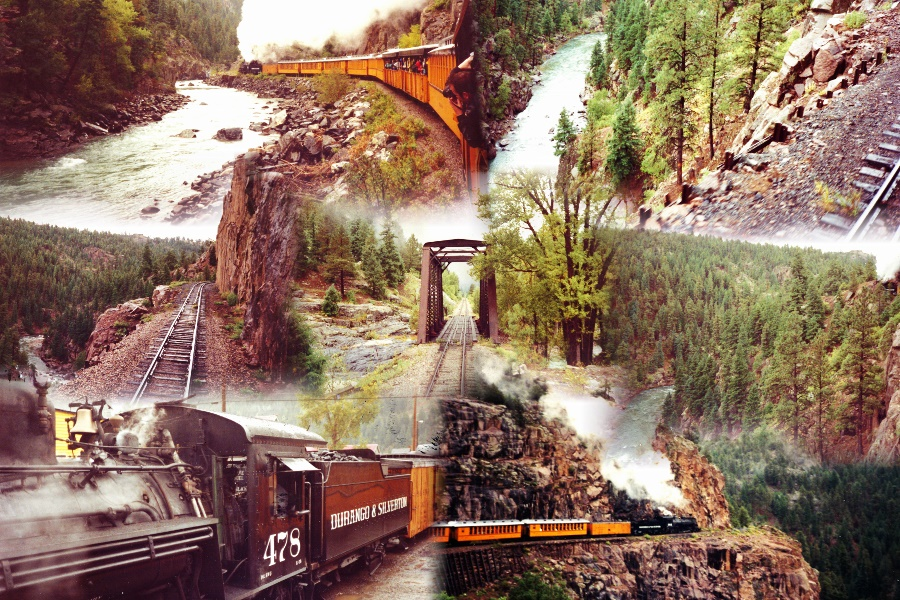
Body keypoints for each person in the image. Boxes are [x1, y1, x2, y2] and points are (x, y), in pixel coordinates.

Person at [443, 53, 487, 150]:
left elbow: (473, 140)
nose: (454, 97)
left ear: (465, 95)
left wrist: (459, 113)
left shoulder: (473, 109)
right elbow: (446, 91)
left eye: (456, 95)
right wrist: (456, 70)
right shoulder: (477, 79)